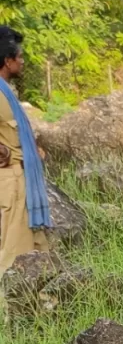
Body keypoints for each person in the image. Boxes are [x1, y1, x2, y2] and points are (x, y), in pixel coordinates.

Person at [0, 26, 53, 275]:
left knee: (39, 252)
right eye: (19, 57)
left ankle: (39, 308)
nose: (22, 61)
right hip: (11, 183)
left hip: (26, 182)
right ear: (7, 61)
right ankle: (9, 311)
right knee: (14, 257)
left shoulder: (7, 92)